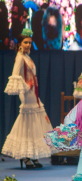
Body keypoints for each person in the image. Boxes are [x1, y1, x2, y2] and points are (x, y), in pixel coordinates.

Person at [1, 29, 54, 169]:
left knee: (33, 123)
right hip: (27, 93)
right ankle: (26, 156)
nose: (28, 45)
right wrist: (25, 86)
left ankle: (31, 155)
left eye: (30, 43)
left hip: (33, 93)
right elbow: (15, 75)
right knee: (28, 122)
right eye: (26, 42)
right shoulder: (20, 56)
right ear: (19, 44)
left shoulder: (27, 57)